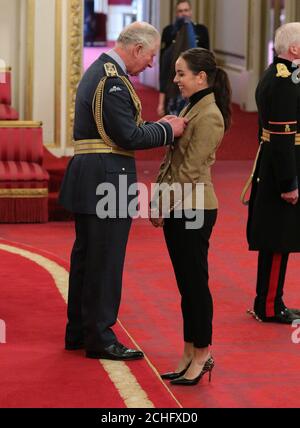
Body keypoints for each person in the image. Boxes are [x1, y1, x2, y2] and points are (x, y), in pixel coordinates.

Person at [59, 22, 187, 361]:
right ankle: (100, 336)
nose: (150, 64)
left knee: (88, 258)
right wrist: (167, 130)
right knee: (105, 260)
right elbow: (127, 137)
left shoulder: (102, 71)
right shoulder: (111, 80)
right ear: (136, 49)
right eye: (150, 56)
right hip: (107, 177)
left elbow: (120, 128)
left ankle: (80, 331)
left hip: (94, 173)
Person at [151, 48, 232, 385]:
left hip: (195, 207)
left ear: (201, 77)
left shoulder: (209, 114)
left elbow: (189, 170)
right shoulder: (192, 106)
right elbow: (171, 164)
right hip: (181, 205)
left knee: (196, 286)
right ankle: (188, 352)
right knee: (187, 286)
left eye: (181, 73)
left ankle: (202, 354)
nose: (175, 79)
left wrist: (160, 204)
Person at [245, 22, 300, 324]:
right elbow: (281, 138)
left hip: (273, 165)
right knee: (279, 239)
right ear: (294, 49)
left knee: (279, 238)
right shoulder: (283, 82)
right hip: (281, 169)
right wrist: (289, 182)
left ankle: (272, 301)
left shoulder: (280, 74)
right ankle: (268, 306)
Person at [157, 0, 210, 117]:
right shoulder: (168, 31)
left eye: (186, 10)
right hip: (173, 86)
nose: (184, 13)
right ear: (176, 13)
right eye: (180, 11)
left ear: (191, 12)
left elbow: (207, 63)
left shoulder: (201, 30)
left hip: (196, 85)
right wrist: (161, 101)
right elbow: (163, 67)